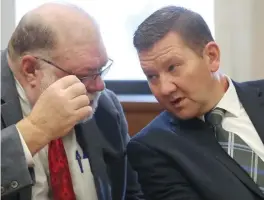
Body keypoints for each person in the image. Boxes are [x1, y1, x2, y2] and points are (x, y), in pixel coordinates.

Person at [1, 3, 144, 200]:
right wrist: (35, 130)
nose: (100, 85)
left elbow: (131, 194)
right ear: (30, 70)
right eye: (85, 75)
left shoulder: (105, 107)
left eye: (101, 69)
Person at [126, 5, 264, 200]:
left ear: (211, 56)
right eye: (152, 76)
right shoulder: (153, 148)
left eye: (173, 67)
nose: (165, 88)